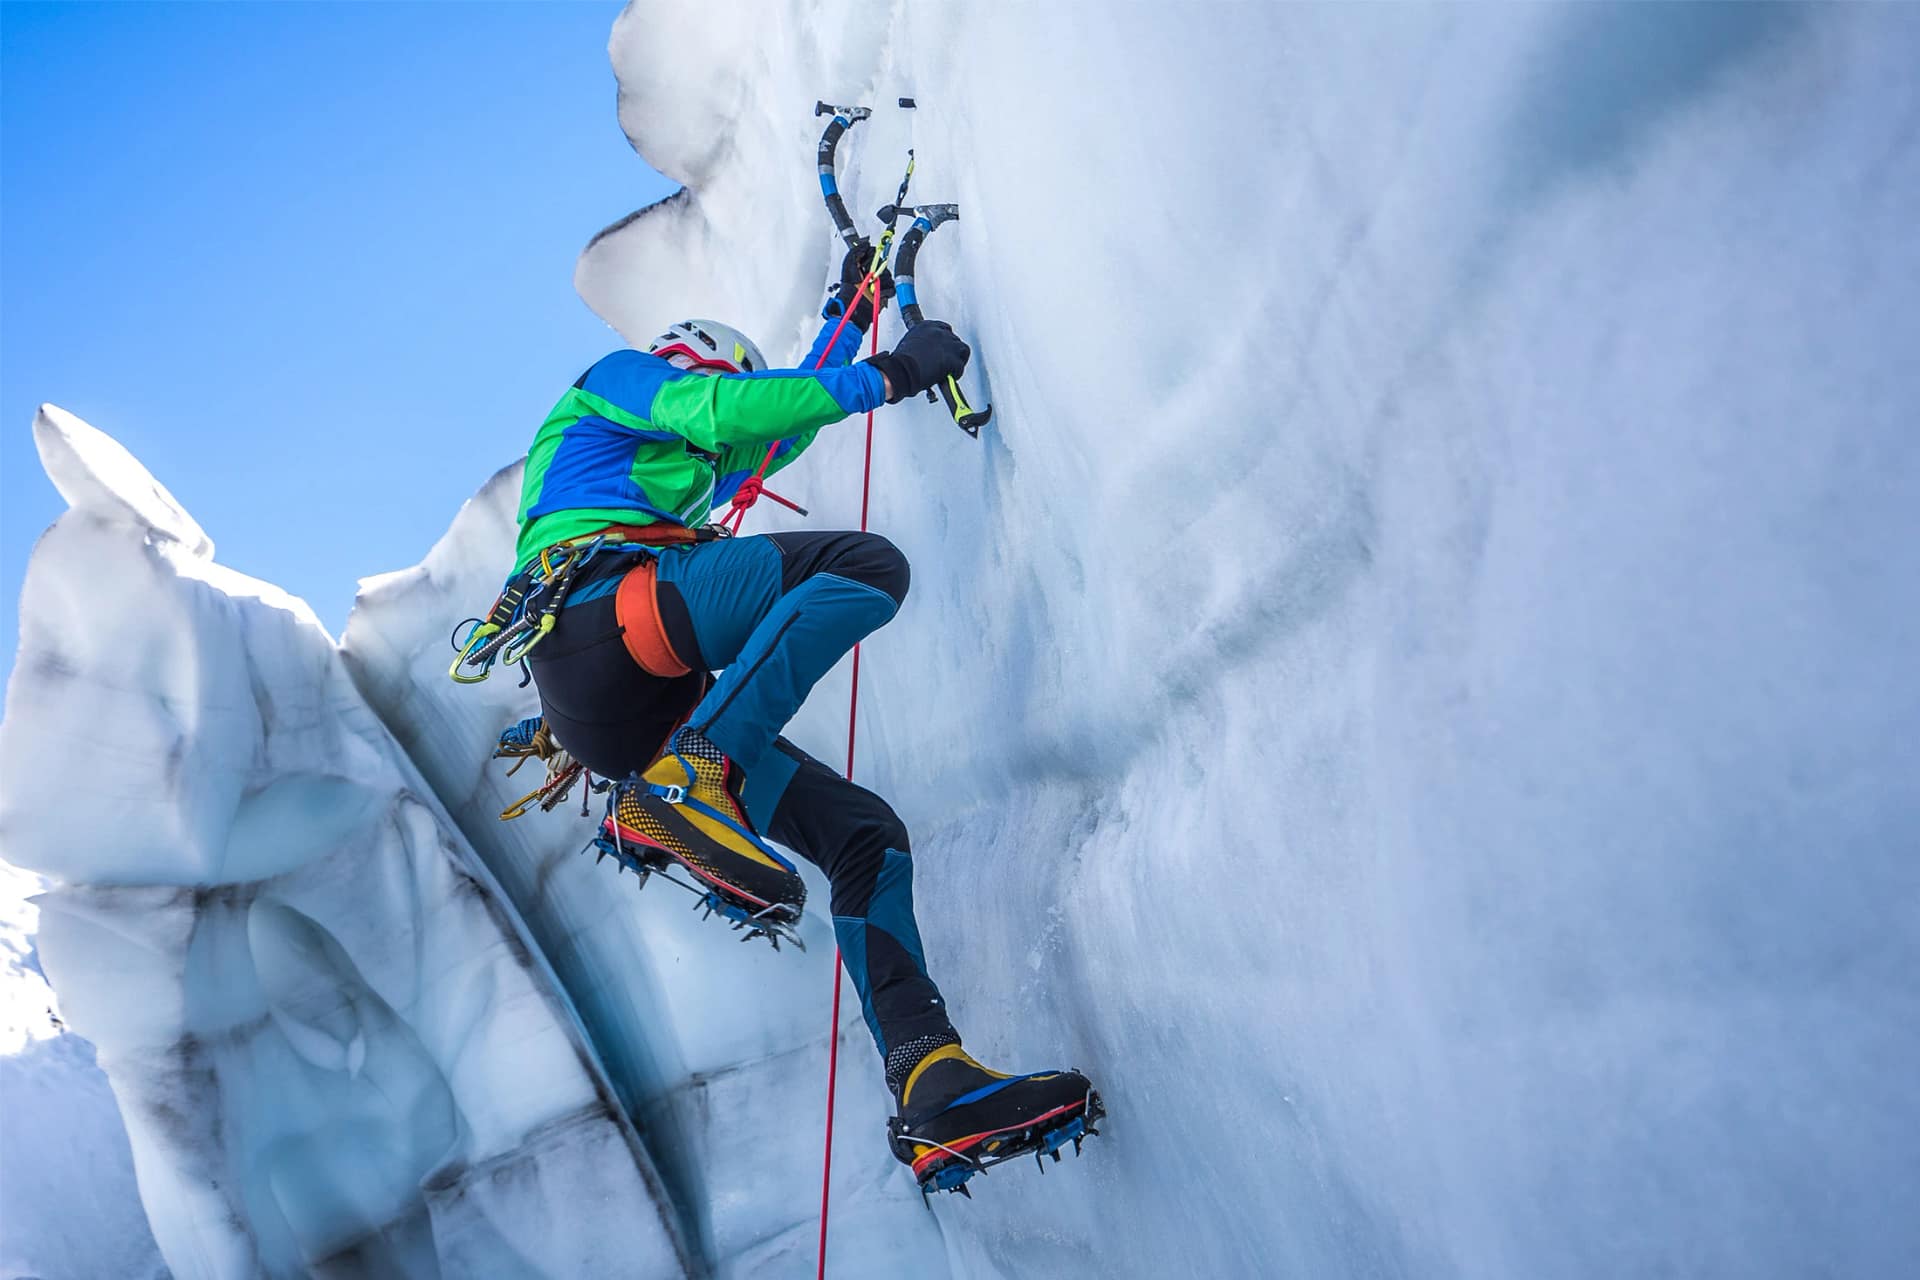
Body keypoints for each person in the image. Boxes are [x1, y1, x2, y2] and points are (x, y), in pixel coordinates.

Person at [507, 241, 1098, 1189]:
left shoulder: (679, 451)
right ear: (696, 355)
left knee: (865, 837)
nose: (726, 457)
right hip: (601, 619)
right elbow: (733, 410)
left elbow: (778, 428)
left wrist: (853, 311)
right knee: (862, 566)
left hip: (627, 709)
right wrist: (894, 373)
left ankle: (933, 1083)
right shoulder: (624, 381)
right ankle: (688, 780)